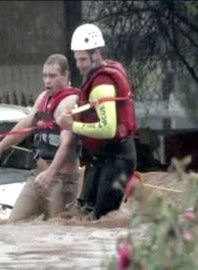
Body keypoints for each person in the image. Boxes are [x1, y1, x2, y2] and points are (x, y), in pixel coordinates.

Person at [57, 23, 137, 220]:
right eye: (76, 59)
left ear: (97, 53)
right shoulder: (95, 78)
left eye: (83, 59)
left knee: (103, 219)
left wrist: (72, 125)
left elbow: (108, 128)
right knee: (84, 212)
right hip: (100, 158)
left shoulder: (103, 84)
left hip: (118, 158)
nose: (79, 64)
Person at [0, 54, 80, 222]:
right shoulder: (43, 98)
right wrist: (0, 148)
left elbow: (67, 145)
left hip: (61, 181)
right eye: (44, 76)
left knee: (59, 235)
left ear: (66, 75)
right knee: (14, 223)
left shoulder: (70, 103)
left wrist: (51, 173)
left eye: (52, 76)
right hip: (38, 176)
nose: (47, 81)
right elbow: (24, 127)